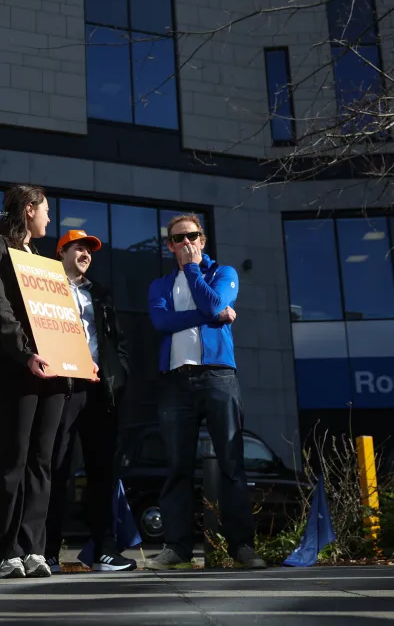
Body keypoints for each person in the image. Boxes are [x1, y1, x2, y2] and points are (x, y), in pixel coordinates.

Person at [0, 185, 94, 579]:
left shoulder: (42, 260)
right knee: (15, 454)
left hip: (55, 368)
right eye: (45, 210)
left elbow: (61, 318)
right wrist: (24, 352)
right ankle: (7, 551)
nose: (48, 218)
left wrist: (81, 361)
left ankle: (34, 548)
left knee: (42, 460)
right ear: (29, 209)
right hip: (17, 363)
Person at [144, 214, 267, 570]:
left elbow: (214, 303)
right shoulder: (160, 285)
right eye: (177, 238)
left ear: (202, 240)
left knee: (231, 462)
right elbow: (162, 321)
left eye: (192, 236)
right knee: (177, 467)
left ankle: (242, 546)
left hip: (218, 377)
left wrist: (194, 272)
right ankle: (177, 549)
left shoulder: (223, 273)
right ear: (169, 246)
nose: (185, 243)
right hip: (175, 381)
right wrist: (213, 315)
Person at [43, 230, 136, 574]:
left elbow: (116, 340)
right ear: (61, 252)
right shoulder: (47, 287)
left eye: (90, 251)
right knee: (57, 468)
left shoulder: (101, 293)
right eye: (79, 248)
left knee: (102, 471)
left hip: (100, 389)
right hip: (64, 387)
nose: (86, 254)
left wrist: (118, 374)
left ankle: (104, 551)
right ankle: (48, 551)